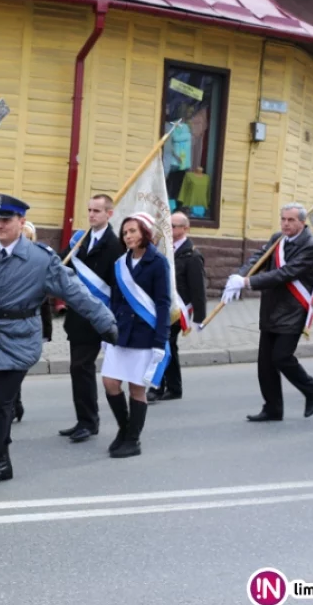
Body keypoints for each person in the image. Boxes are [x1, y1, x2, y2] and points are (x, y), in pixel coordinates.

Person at [0, 193, 117, 495]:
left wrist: (104, 322)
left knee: (2, 404)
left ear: (21, 222)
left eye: (6, 220)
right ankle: (3, 462)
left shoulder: (41, 260)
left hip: (19, 340)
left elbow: (75, 292)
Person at [222, 202, 313, 421]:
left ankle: (311, 388)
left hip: (292, 310)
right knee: (265, 364)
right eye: (283, 219)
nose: (285, 224)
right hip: (270, 308)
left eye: (291, 220)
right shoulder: (278, 238)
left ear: (302, 222)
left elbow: (286, 273)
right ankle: (273, 408)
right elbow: (257, 259)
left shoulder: (311, 246)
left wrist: (246, 283)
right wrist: (236, 277)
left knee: (282, 357)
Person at [99, 212, 171, 458]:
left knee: (136, 389)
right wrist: (107, 331)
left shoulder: (158, 262)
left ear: (145, 233)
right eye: (125, 232)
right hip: (120, 333)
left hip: (144, 335)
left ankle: (133, 439)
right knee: (109, 382)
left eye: (133, 231)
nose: (127, 236)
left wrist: (161, 340)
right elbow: (114, 300)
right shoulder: (121, 263)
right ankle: (124, 428)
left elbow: (163, 304)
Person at [59, 193, 125, 442]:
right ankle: (84, 420)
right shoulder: (79, 240)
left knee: (81, 366)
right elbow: (61, 266)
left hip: (100, 315)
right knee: (78, 369)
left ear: (109, 214)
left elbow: (118, 284)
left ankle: (89, 421)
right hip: (78, 316)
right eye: (89, 210)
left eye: (97, 211)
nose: (91, 215)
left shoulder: (116, 245)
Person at [148, 211, 207, 402]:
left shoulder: (192, 255)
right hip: (162, 305)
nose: (170, 229)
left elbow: (198, 289)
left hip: (178, 308)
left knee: (165, 345)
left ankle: (158, 388)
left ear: (185, 228)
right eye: (169, 225)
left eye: (174, 226)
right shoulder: (165, 249)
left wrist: (199, 317)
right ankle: (173, 388)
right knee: (168, 347)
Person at [12, 221, 54, 423]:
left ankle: (14, 403)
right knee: (6, 369)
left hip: (29, 326)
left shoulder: (38, 262)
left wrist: (46, 331)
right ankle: (13, 403)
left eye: (28, 238)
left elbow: (44, 302)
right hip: (7, 326)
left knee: (17, 368)